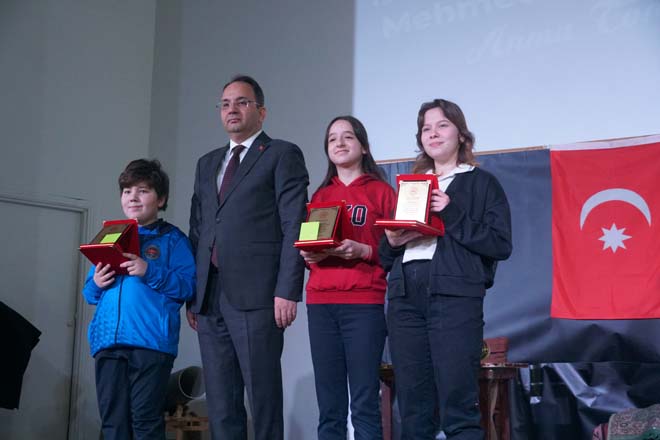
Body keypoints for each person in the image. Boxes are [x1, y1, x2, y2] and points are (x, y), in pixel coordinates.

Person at [379, 99, 512, 439]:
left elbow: (500, 245)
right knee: (412, 406)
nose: (433, 133)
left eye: (442, 125)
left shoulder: (481, 183)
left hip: (454, 298)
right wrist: (391, 242)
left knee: (458, 404)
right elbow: (386, 255)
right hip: (406, 299)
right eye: (426, 128)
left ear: (462, 135)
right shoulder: (410, 186)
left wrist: (451, 212)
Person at [186, 75, 309, 440]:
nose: (232, 110)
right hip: (210, 298)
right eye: (225, 104)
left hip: (258, 297)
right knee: (222, 404)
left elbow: (294, 226)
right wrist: (194, 295)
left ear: (262, 111)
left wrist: (287, 289)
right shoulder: (207, 163)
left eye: (241, 102)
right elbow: (198, 229)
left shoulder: (281, 154)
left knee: (263, 399)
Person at [82, 159, 196, 440]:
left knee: (145, 422)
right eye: (126, 191)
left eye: (143, 190)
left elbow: (188, 286)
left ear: (161, 199)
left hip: (150, 344)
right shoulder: (109, 237)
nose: (132, 197)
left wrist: (149, 270)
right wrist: (96, 283)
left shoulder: (173, 240)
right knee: (112, 424)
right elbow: (89, 293)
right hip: (108, 343)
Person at [300, 116, 396, 440]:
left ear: (364, 146)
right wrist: (308, 255)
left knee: (365, 403)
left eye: (347, 137)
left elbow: (396, 252)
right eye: (332, 139)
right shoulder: (319, 196)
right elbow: (311, 246)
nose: (339, 143)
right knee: (329, 406)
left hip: (363, 303)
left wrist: (365, 252)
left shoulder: (382, 193)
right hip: (321, 302)